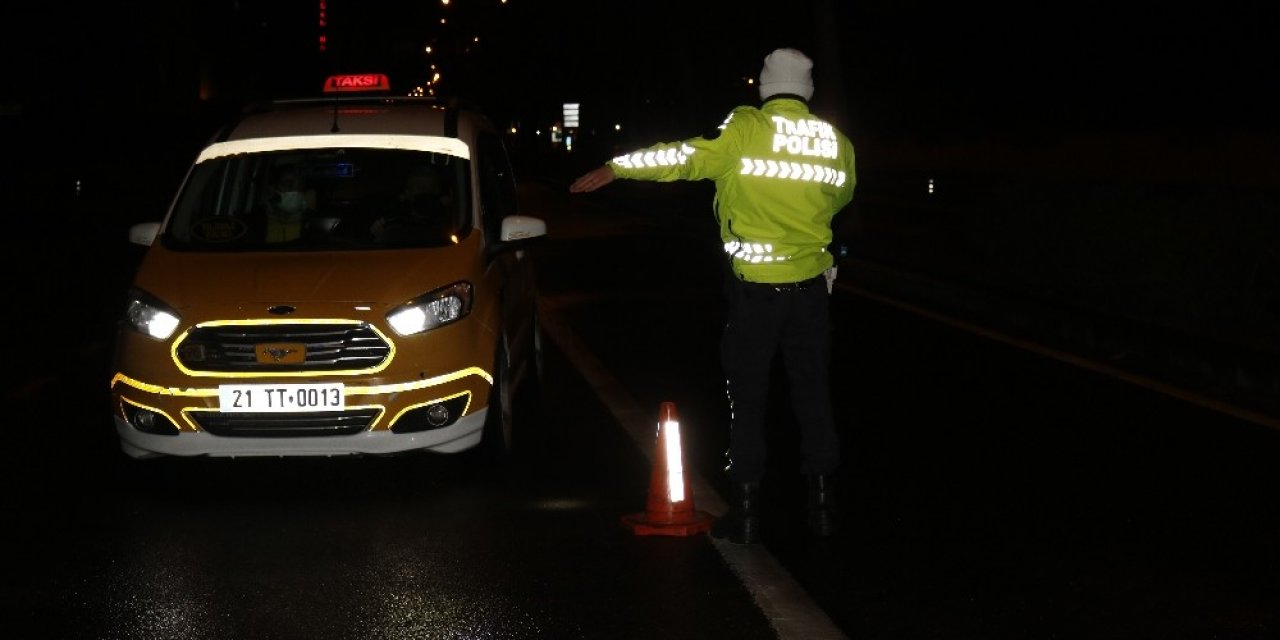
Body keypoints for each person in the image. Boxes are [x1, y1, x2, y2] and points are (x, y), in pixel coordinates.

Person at [569, 47, 856, 544]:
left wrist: (619, 167)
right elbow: (842, 197)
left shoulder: (745, 129)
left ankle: (745, 516)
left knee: (748, 399)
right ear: (807, 90)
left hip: (755, 295)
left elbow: (683, 158)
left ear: (766, 87)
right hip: (812, 292)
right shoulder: (835, 141)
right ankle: (824, 510)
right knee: (814, 397)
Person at [371, 165, 452, 242]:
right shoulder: (394, 224)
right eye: (420, 188)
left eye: (432, 188)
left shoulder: (452, 221)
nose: (426, 192)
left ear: (438, 191)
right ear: (407, 193)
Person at [263, 165, 314, 242]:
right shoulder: (259, 223)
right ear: (273, 189)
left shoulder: (311, 225)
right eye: (288, 184)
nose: (294, 190)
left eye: (299, 186)